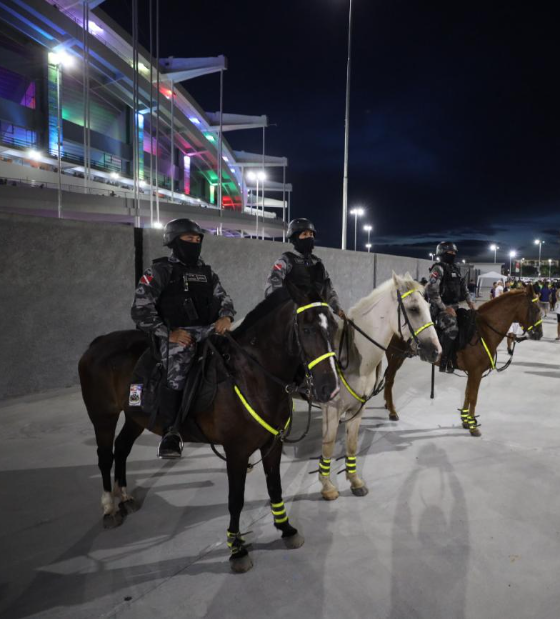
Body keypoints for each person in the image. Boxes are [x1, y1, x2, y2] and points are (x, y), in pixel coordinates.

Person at [131, 218, 235, 458]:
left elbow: (225, 299)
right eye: (189, 238)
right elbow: (140, 310)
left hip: (208, 330)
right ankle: (171, 432)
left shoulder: (207, 273)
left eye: (198, 239)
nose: (194, 242)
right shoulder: (159, 271)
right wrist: (169, 334)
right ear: (173, 241)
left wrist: (226, 317)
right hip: (176, 334)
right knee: (178, 369)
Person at [265, 218, 346, 319]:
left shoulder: (318, 263)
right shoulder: (286, 259)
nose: (309, 237)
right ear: (295, 238)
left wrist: (338, 309)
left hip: (316, 314)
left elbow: (328, 290)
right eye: (305, 234)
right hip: (292, 314)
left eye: (311, 234)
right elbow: (273, 281)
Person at [425, 242, 476, 373]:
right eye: (450, 253)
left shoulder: (455, 269)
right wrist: (444, 308)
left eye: (454, 253)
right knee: (452, 327)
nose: (453, 255)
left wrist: (470, 302)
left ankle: (458, 354)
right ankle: (443, 359)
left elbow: (464, 288)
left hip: (455, 307)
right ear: (442, 253)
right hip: (439, 309)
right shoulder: (438, 269)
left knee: (470, 321)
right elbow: (431, 290)